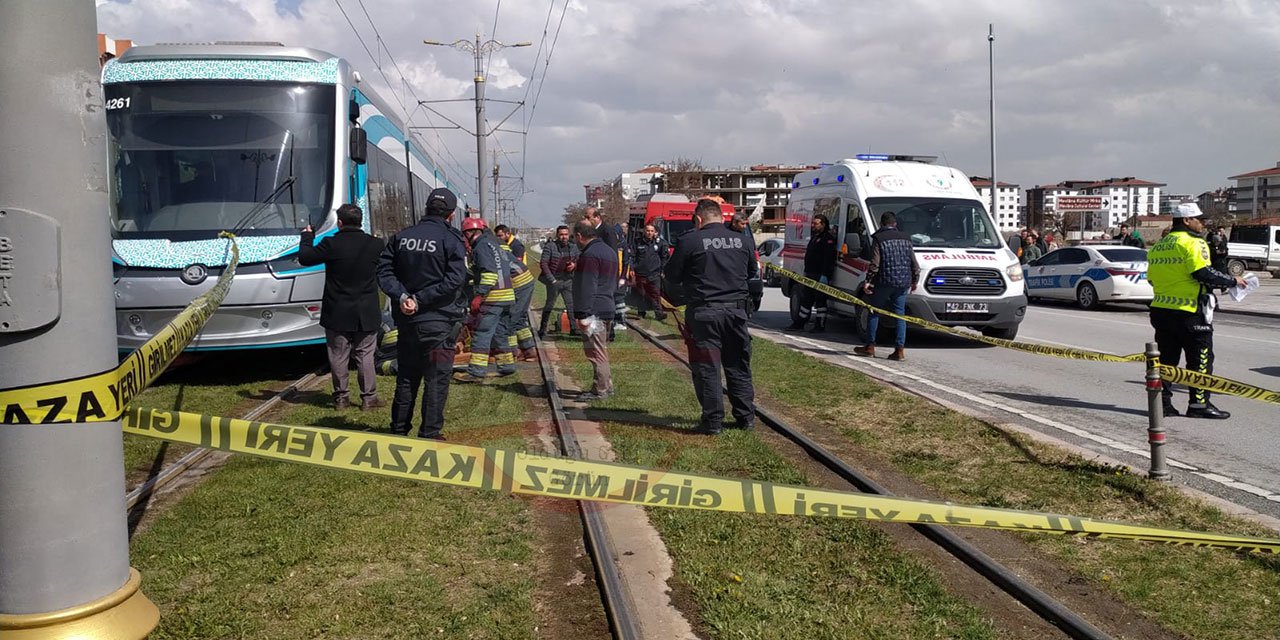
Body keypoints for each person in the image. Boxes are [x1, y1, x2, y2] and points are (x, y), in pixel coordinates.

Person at [376, 188, 467, 440]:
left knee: (407, 376)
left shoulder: (401, 237)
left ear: (425, 208)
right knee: (437, 379)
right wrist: (420, 299)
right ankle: (429, 433)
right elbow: (455, 281)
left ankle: (398, 429)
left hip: (407, 322)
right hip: (438, 322)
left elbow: (384, 272)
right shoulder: (451, 240)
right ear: (450, 214)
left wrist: (403, 296)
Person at [663, 199, 756, 435]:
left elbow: (672, 277)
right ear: (723, 218)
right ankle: (745, 418)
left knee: (707, 368)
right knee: (738, 365)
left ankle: (713, 422)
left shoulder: (690, 241)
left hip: (704, 313)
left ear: (698, 219)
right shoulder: (743, 241)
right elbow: (752, 273)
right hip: (736, 312)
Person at [1146, 203, 1246, 420]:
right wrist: (1232, 280)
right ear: (1186, 221)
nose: (1203, 224)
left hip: (1162, 310)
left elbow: (1152, 278)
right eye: (1200, 219)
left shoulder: (1159, 246)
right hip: (1190, 310)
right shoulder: (1193, 243)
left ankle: (1162, 404)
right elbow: (1203, 273)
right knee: (1200, 359)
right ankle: (1199, 405)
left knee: (1166, 360)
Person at [298, 204, 386, 410]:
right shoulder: (375, 244)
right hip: (366, 310)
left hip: (337, 309)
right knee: (365, 354)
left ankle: (341, 398)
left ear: (339, 223)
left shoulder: (331, 244)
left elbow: (305, 257)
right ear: (361, 221)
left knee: (338, 355)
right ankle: (369, 398)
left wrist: (307, 237)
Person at [456, 217, 516, 383]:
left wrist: (478, 295)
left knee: (482, 332)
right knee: (500, 333)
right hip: (507, 296)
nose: (463, 238)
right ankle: (507, 366)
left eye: (464, 234)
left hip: (493, 298)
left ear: (471, 233)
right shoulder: (494, 244)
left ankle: (476, 372)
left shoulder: (481, 246)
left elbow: (489, 274)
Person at [854, 212, 920, 361]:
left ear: (881, 224)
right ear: (895, 223)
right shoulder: (906, 238)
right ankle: (899, 350)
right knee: (899, 315)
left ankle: (869, 346)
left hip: (883, 281)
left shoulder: (878, 238)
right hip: (903, 282)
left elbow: (875, 263)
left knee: (874, 312)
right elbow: (913, 262)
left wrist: (868, 281)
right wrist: (915, 279)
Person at [571, 220, 618, 401]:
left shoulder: (589, 255)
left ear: (579, 236)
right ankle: (607, 385)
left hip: (594, 311)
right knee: (601, 349)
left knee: (596, 352)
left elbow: (587, 285)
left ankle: (601, 389)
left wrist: (583, 314)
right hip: (607, 305)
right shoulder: (609, 252)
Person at [787, 213, 837, 332]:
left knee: (820, 301)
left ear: (823, 224)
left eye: (816, 223)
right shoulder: (815, 237)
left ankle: (820, 325)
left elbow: (828, 259)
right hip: (810, 273)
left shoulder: (828, 239)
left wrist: (825, 276)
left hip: (820, 275)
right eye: (813, 223)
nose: (813, 225)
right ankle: (800, 323)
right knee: (806, 300)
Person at [495, 224, 537, 361]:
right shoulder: (503, 246)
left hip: (519, 283)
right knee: (519, 317)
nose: (499, 238)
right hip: (523, 281)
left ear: (508, 234)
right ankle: (529, 349)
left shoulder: (516, 246)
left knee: (511, 317)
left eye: (500, 235)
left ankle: (514, 351)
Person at [538, 225, 578, 336]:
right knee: (549, 305)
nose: (564, 237)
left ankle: (574, 329)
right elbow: (543, 263)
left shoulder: (573, 247)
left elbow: (579, 260)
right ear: (557, 235)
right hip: (554, 281)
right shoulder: (550, 246)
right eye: (561, 234)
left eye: (566, 234)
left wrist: (574, 265)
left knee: (570, 305)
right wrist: (552, 280)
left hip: (568, 280)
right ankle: (542, 328)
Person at [631, 223, 670, 320]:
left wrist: (662, 270)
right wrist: (632, 268)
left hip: (654, 273)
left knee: (655, 294)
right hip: (640, 273)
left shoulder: (660, 243)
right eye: (648, 231)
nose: (649, 233)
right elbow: (632, 256)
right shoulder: (637, 242)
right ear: (644, 231)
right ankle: (641, 312)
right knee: (641, 294)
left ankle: (659, 314)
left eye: (652, 231)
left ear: (654, 232)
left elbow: (664, 257)